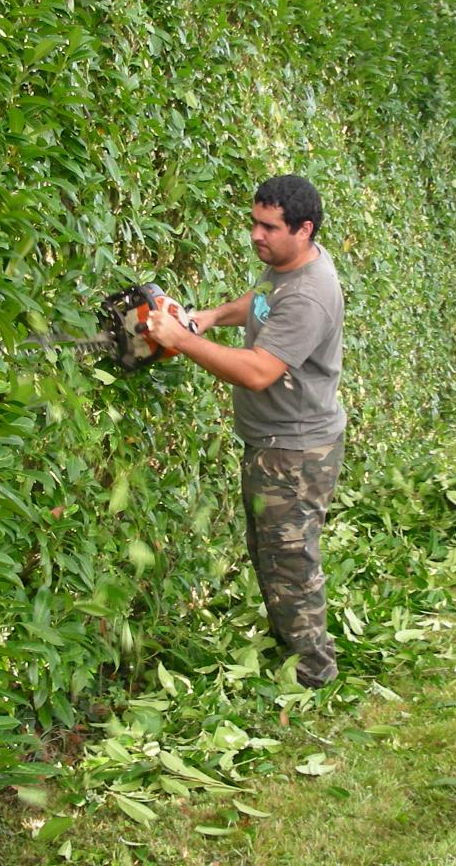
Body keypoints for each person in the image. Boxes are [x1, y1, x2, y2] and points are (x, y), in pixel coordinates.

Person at [146, 175, 346, 687]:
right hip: (273, 444)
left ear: (303, 230)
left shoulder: (309, 295)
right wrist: (208, 317)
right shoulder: (284, 269)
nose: (256, 235)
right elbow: (259, 301)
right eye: (254, 223)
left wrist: (181, 342)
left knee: (291, 564)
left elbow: (259, 371)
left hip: (295, 452)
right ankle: (293, 651)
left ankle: (312, 673)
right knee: (271, 555)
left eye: (268, 227)